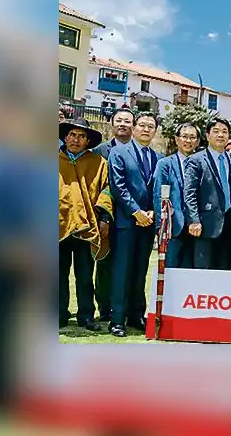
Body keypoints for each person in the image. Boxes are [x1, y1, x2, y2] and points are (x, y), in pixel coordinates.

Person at [107, 112, 161, 338]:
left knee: (140, 271)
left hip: (147, 223)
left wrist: (151, 212)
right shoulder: (119, 152)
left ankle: (136, 314)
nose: (146, 129)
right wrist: (136, 212)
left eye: (151, 126)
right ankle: (117, 320)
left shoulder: (158, 157)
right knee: (122, 272)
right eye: (142, 125)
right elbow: (118, 186)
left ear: (155, 131)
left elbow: (157, 188)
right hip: (127, 222)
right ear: (134, 128)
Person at [58, 118, 112, 331]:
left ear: (88, 140)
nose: (76, 140)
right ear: (65, 137)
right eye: (72, 134)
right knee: (57, 274)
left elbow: (107, 191)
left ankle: (86, 315)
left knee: (85, 275)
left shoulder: (98, 164)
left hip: (86, 227)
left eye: (81, 136)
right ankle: (59, 314)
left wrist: (104, 219)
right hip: (58, 226)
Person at [92, 107, 135, 322]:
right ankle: (104, 308)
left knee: (129, 265)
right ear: (112, 123)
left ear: (133, 126)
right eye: (119, 120)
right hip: (105, 218)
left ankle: (126, 308)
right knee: (105, 264)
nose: (123, 124)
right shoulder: (99, 151)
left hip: (132, 219)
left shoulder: (139, 151)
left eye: (127, 121)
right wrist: (102, 216)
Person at [183, 118, 231, 271]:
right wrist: (193, 220)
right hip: (205, 226)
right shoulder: (196, 160)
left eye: (224, 132)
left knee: (224, 272)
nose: (221, 135)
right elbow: (189, 193)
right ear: (207, 135)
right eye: (216, 131)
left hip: (229, 224)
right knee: (203, 272)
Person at [152, 123, 199, 269]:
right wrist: (161, 227)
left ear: (197, 142)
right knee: (169, 270)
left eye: (192, 137)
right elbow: (158, 195)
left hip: (196, 228)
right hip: (172, 227)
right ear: (176, 139)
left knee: (191, 272)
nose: (188, 141)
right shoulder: (165, 164)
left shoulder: (201, 163)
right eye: (185, 136)